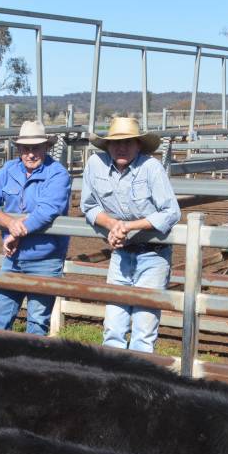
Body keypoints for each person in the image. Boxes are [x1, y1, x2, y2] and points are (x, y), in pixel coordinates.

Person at [80, 117, 180, 353]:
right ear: (107, 146)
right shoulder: (96, 165)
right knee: (113, 324)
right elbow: (89, 206)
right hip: (120, 253)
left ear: (138, 145)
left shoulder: (151, 168)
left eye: (127, 142)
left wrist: (129, 227)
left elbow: (171, 212)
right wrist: (114, 225)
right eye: (115, 142)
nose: (121, 147)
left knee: (144, 330)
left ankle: (138, 381)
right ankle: (112, 380)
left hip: (152, 256)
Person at [0, 120, 72, 335]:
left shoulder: (57, 174)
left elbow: (47, 210)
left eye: (36, 148)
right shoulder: (9, 170)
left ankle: (30, 368)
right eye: (26, 148)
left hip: (45, 259)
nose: (30, 154)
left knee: (37, 324)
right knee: (0, 317)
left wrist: (16, 231)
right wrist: (11, 224)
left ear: (46, 147)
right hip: (14, 257)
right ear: (18, 149)